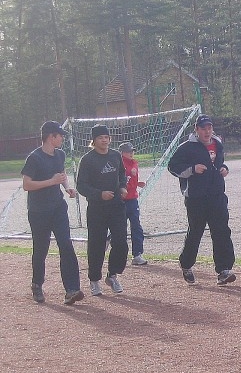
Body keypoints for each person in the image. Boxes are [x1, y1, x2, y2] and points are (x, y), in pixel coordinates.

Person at [168, 114, 237, 286]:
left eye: (209, 128)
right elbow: (172, 167)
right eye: (203, 128)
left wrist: (224, 168)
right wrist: (192, 169)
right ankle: (186, 264)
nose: (207, 131)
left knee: (221, 231)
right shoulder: (187, 147)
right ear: (196, 130)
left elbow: (219, 162)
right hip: (196, 198)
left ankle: (224, 270)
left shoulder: (217, 143)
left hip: (216, 195)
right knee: (196, 232)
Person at [21, 121, 84, 305]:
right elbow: (27, 185)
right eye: (59, 135)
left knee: (66, 244)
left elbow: (61, 174)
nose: (62, 138)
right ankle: (37, 284)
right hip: (39, 211)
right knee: (41, 249)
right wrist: (51, 181)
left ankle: (72, 289)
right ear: (51, 136)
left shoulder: (60, 154)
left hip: (57, 207)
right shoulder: (34, 158)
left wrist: (66, 187)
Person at [76, 124, 129, 296]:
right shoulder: (87, 160)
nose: (104, 140)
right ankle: (94, 279)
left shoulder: (115, 155)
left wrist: (122, 187)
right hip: (97, 209)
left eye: (106, 137)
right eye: (100, 138)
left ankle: (112, 275)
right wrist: (99, 194)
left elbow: (122, 174)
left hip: (116, 206)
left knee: (121, 242)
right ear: (94, 140)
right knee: (97, 245)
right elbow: (81, 186)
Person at [119, 142, 147, 266]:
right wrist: (131, 182)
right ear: (122, 153)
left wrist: (137, 183)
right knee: (120, 227)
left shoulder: (134, 162)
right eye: (128, 151)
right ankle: (115, 249)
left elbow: (131, 181)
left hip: (132, 199)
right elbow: (122, 183)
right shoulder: (120, 164)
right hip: (122, 200)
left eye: (132, 151)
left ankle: (137, 254)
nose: (131, 153)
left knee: (136, 226)